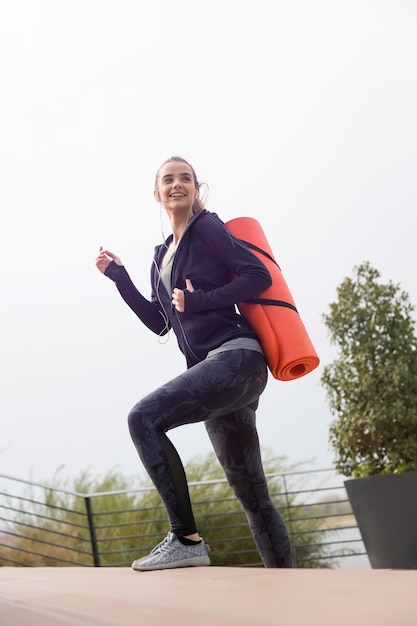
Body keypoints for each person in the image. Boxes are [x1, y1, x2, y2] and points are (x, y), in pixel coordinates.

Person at [95, 156, 293, 571]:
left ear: (196, 189)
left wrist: (200, 299)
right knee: (251, 493)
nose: (177, 184)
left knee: (142, 419)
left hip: (238, 357)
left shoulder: (208, 228)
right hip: (216, 374)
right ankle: (286, 587)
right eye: (168, 179)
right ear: (157, 194)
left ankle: (184, 538)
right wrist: (120, 277)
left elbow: (256, 275)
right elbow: (159, 322)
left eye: (185, 178)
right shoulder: (159, 257)